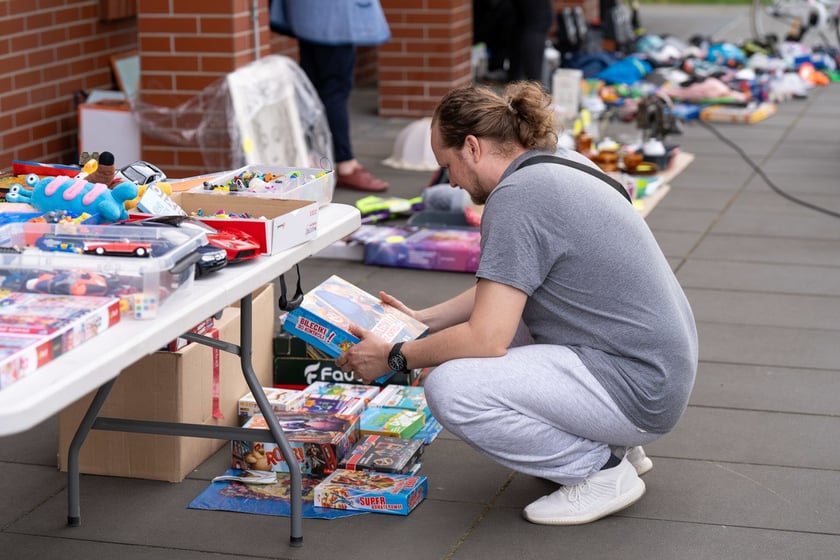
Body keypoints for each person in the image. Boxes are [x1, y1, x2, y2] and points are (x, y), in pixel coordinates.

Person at [335, 82, 698, 525]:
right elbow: (512, 285)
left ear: (471, 147)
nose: (449, 181)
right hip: (657, 372)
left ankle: (601, 471)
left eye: (446, 165)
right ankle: (613, 444)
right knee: (509, 321)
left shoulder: (516, 197)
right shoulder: (559, 162)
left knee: (450, 388)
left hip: (638, 390)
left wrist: (395, 356)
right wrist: (422, 318)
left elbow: (486, 337)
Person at [270, 0, 391, 192]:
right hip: (334, 16)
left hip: (307, 13)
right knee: (334, 88)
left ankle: (313, 157)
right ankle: (345, 164)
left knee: (314, 85)